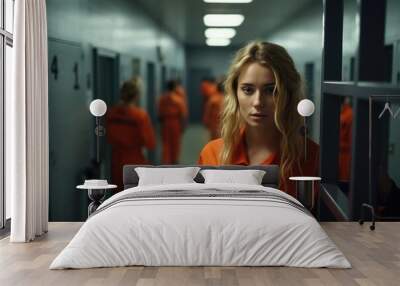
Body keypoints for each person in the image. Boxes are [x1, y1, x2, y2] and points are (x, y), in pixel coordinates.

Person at [198, 41, 319, 199]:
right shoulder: (213, 154)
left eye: (271, 90)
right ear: (235, 93)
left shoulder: (311, 156)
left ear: (288, 93)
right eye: (248, 90)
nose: (257, 102)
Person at [106, 78, 156, 191]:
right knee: (133, 191)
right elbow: (150, 143)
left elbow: (108, 136)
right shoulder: (140, 116)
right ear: (136, 96)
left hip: (116, 159)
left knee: (118, 191)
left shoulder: (111, 113)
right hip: (135, 159)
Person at [158, 79, 188, 164]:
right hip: (175, 123)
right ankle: (174, 161)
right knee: (175, 143)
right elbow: (183, 114)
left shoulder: (162, 99)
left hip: (165, 123)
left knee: (166, 143)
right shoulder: (178, 100)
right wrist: (183, 126)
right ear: (175, 87)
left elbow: (159, 112)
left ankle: (166, 161)